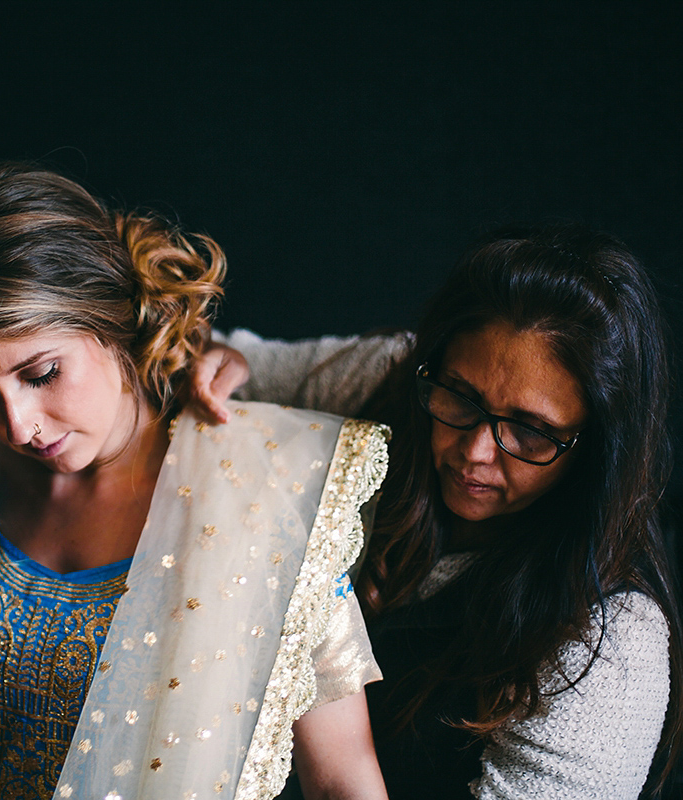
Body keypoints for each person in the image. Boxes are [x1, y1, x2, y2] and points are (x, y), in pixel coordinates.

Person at [0, 163, 393, 800]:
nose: (18, 426)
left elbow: (341, 780)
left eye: (42, 373)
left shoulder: (256, 499)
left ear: (114, 319)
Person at [193, 224, 683, 799]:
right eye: (461, 397)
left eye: (529, 431)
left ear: (599, 447)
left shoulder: (612, 641)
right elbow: (237, 361)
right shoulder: (397, 384)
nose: (474, 452)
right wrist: (226, 365)